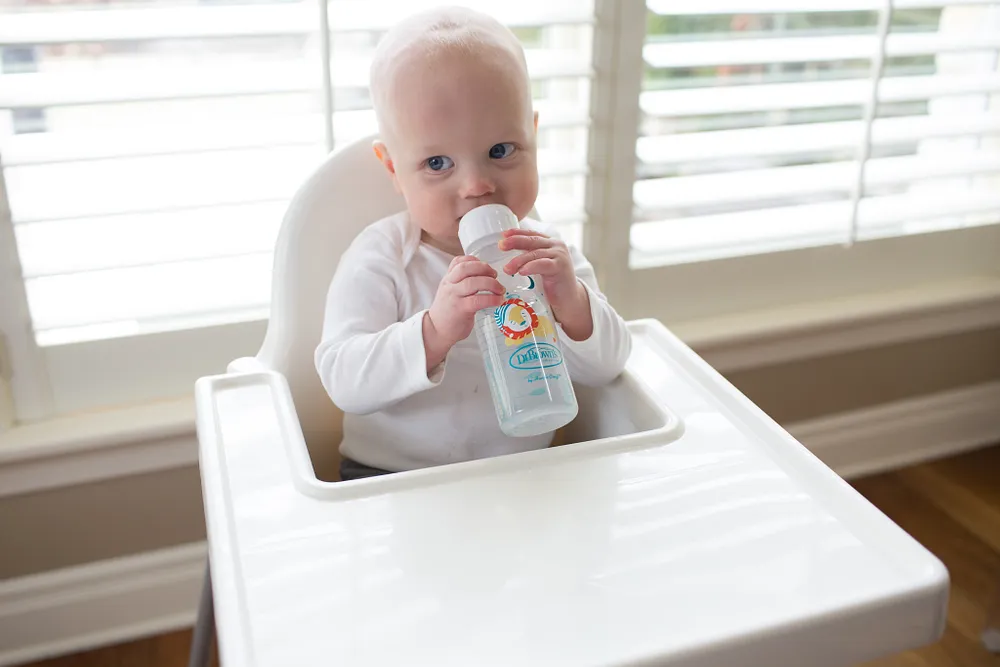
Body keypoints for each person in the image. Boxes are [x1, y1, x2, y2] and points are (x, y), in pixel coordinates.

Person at [315, 6, 632, 480]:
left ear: (533, 137)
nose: (477, 185)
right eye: (437, 163)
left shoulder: (546, 254)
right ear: (393, 169)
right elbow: (342, 377)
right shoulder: (384, 256)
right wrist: (434, 331)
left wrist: (572, 303)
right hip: (391, 480)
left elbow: (608, 366)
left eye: (500, 151)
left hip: (527, 478)